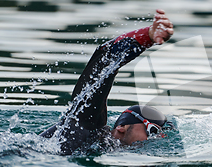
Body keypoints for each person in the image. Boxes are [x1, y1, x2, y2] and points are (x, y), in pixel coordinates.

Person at [41, 9, 175, 155]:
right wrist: (147, 37)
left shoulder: (106, 149)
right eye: (152, 131)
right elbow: (103, 60)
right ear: (122, 127)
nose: (153, 140)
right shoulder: (89, 125)